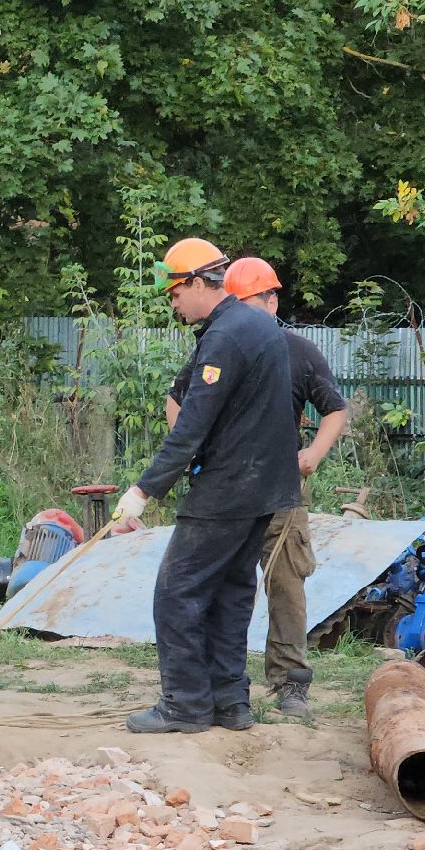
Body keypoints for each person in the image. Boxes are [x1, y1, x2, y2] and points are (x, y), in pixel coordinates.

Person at [112, 238, 302, 734]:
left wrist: (143, 491)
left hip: (228, 490)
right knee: (231, 593)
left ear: (199, 283)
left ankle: (184, 705)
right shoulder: (260, 325)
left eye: (175, 291)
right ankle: (229, 703)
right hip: (266, 488)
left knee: (177, 592)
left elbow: (190, 428)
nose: (172, 302)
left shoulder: (225, 338)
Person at [164, 257, 348, 718]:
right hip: (229, 489)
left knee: (285, 583)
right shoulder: (222, 342)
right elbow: (178, 400)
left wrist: (314, 454)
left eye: (251, 301)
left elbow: (335, 409)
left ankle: (290, 681)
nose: (241, 310)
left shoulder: (298, 351)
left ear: (272, 299)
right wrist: (197, 456)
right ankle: (222, 688)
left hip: (280, 489)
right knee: (228, 586)